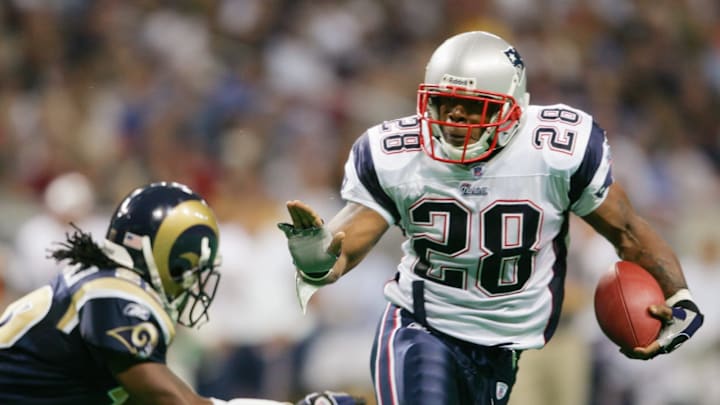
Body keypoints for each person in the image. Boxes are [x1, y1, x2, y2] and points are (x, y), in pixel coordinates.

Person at [278, 31, 704, 405]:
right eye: (445, 103)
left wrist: (678, 297)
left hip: (504, 346)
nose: (455, 118)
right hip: (423, 326)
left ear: (511, 109)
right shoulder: (397, 153)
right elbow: (344, 246)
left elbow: (627, 231)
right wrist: (316, 255)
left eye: (471, 107)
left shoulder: (557, 151)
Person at [0, 181, 364, 405]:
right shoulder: (114, 292)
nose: (191, 280)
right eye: (190, 266)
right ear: (167, 255)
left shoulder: (101, 282)